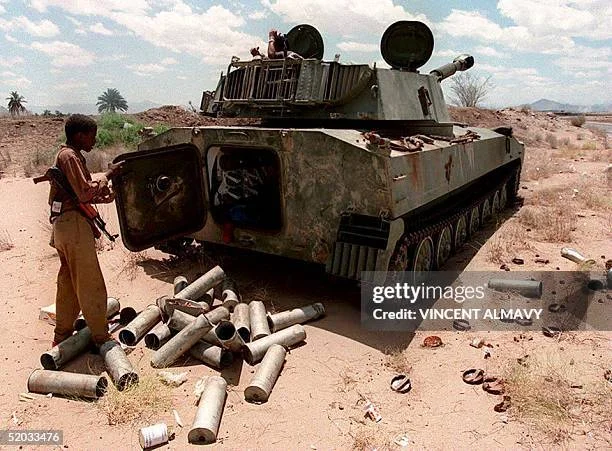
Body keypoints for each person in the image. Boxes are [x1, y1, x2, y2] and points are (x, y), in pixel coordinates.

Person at [48, 114, 122, 347]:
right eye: (92, 136)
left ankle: (61, 336)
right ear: (80, 135)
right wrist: (108, 174)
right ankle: (101, 335)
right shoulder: (69, 156)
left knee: (69, 283)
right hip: (73, 227)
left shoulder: (68, 155)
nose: (94, 140)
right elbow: (83, 193)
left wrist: (105, 194)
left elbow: (80, 194)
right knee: (90, 282)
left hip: (65, 226)